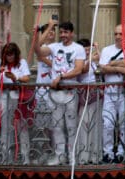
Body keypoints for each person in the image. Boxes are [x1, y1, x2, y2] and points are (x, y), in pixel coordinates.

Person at [34, 20, 88, 165]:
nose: (63, 35)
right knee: (57, 126)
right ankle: (59, 155)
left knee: (71, 126)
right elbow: (37, 49)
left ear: (72, 33)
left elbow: (78, 69)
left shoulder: (78, 48)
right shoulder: (54, 46)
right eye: (61, 32)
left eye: (66, 32)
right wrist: (50, 27)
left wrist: (61, 77)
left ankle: (72, 155)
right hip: (55, 92)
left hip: (69, 91)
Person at [97, 24, 125, 163]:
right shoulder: (106, 50)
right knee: (108, 123)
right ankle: (108, 152)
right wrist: (119, 67)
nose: (118, 37)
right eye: (116, 34)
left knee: (123, 123)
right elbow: (102, 68)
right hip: (109, 92)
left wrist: (112, 64)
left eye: (120, 34)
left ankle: (121, 152)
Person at [0, 42, 32, 163]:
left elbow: (27, 78)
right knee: (5, 126)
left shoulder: (22, 63)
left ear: (16, 54)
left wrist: (15, 77)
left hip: (19, 96)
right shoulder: (1, 64)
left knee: (21, 126)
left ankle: (25, 156)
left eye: (11, 55)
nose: (9, 57)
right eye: (7, 55)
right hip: (5, 96)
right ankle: (6, 156)